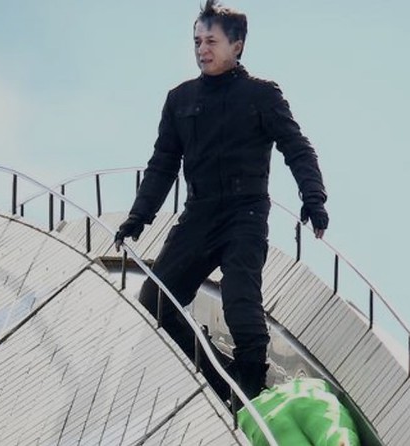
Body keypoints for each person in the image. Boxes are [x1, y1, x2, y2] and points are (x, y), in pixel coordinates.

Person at [114, 0, 329, 402]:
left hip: (245, 212)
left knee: (240, 302)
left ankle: (251, 381)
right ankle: (220, 381)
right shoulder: (180, 99)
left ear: (237, 45)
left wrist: (313, 199)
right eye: (197, 41)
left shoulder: (261, 95)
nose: (202, 49)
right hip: (199, 214)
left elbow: (297, 148)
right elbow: (163, 164)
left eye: (211, 41)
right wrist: (138, 217)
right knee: (155, 300)